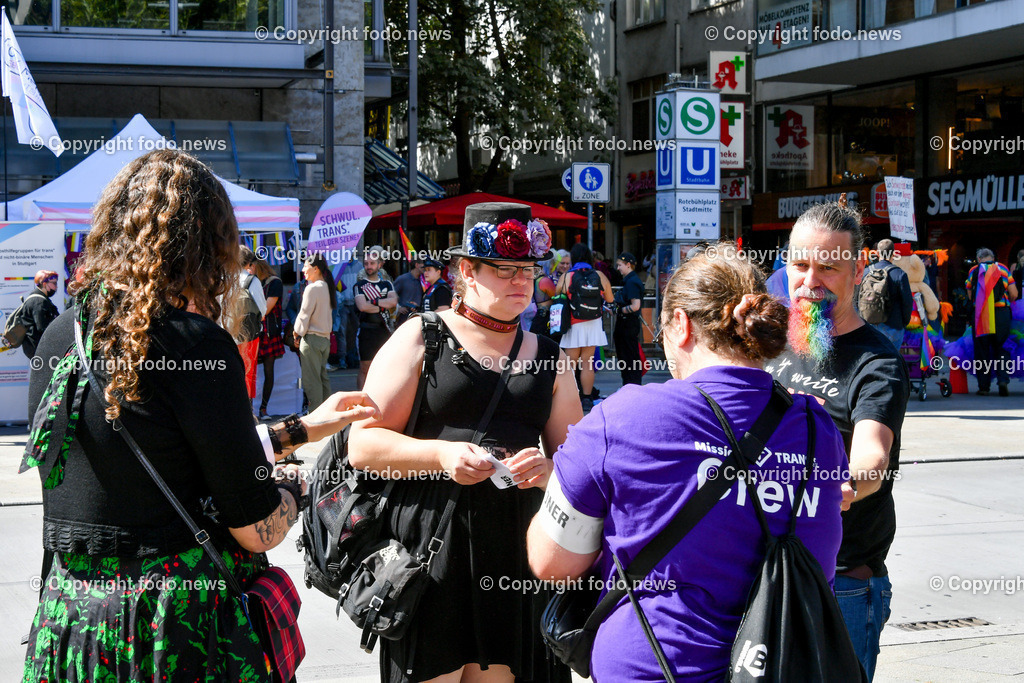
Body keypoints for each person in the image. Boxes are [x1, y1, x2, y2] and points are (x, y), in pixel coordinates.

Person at [20, 149, 380, 683]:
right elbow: (256, 528)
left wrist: (297, 430)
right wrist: (294, 492)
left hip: (71, 627)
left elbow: (157, 459)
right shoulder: (196, 344)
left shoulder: (60, 335)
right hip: (170, 628)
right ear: (207, 247)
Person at [526, 243, 849, 681]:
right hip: (785, 663)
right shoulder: (817, 427)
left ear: (680, 324)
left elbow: (552, 563)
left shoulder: (620, 417)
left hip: (657, 668)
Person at [349, 202, 581, 683]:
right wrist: (441, 454)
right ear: (466, 272)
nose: (521, 281)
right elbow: (362, 445)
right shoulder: (422, 335)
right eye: (504, 269)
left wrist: (548, 471)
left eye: (527, 270)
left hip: (518, 554)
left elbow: (573, 467)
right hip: (432, 551)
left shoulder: (552, 358)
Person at [764, 199, 910, 680]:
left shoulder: (877, 362)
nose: (809, 281)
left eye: (828, 267)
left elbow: (873, 454)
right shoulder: (771, 343)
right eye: (799, 264)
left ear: (856, 268)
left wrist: (842, 485)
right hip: (766, 569)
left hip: (841, 581)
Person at [555, 243, 613, 412]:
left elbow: (557, 294)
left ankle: (568, 397)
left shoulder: (567, 276)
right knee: (588, 363)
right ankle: (587, 399)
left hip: (574, 323)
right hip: (594, 323)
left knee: (570, 364)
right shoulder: (599, 275)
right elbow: (609, 298)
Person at [966, 248, 1018, 396]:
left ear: (978, 259)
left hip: (982, 313)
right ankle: (1002, 380)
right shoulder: (1002, 268)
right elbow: (1014, 293)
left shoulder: (974, 270)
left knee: (982, 350)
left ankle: (983, 387)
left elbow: (970, 294)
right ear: (993, 257)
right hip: (1001, 313)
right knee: (1002, 348)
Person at [295, 253, 336, 411]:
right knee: (322, 378)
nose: (303, 269)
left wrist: (296, 332)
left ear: (316, 268)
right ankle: (327, 416)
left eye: (306, 266)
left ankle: (316, 417)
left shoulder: (312, 288)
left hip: (311, 340)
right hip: (325, 339)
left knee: (312, 382)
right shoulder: (327, 286)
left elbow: (304, 315)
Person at [354, 245, 398, 389]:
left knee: (384, 366)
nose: (369, 266)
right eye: (366, 264)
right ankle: (361, 397)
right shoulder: (360, 285)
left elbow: (393, 302)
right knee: (365, 368)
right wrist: (382, 304)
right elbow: (362, 306)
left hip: (383, 329)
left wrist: (373, 302)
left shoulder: (387, 283)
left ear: (379, 264)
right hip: (366, 331)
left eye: (372, 263)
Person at [862, 239, 913, 351]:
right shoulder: (900, 274)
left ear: (877, 253)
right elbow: (908, 303)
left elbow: (856, 299)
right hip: (893, 325)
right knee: (891, 360)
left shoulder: (865, 272)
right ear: (893, 254)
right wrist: (903, 322)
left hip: (869, 325)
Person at [237, 246, 268, 402]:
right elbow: (262, 309)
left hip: (225, 334)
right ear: (249, 263)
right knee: (248, 375)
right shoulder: (251, 280)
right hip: (248, 336)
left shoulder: (221, 279)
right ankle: (247, 415)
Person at [254, 257, 284, 419]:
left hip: (268, 334)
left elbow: (265, 310)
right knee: (251, 373)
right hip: (255, 332)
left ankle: (263, 409)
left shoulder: (275, 283)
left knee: (268, 371)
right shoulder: (253, 283)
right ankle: (251, 410)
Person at [612, 252, 645, 386]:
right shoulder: (630, 281)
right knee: (627, 358)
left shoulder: (632, 282)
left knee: (629, 358)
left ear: (628, 265)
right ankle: (630, 386)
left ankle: (631, 386)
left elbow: (635, 306)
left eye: (620, 265)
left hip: (627, 325)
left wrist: (619, 310)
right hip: (626, 324)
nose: (618, 268)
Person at [18, 270, 60, 358]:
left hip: (38, 349)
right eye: (54, 283)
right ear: (44, 284)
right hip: (39, 350)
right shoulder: (39, 302)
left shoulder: (39, 299)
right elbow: (42, 327)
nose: (56, 287)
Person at [394, 258, 426, 326]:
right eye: (423, 264)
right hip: (404, 315)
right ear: (417, 265)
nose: (425, 267)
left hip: (419, 315)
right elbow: (391, 294)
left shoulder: (424, 280)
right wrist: (398, 308)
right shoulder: (403, 279)